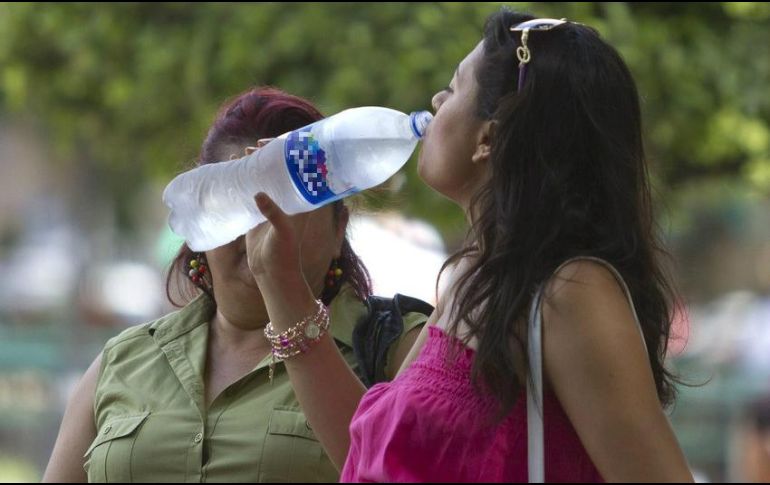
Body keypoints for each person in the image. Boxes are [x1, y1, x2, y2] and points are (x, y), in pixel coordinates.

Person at [248, 9, 695, 483]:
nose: (437, 99)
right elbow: (372, 453)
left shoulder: (573, 292)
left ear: (490, 137)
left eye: (455, 87)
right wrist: (279, 281)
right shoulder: (474, 278)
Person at [42, 87, 429, 483]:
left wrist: (283, 285)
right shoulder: (124, 360)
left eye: (292, 201)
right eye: (237, 200)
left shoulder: (401, 349)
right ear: (201, 224)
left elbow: (402, 469)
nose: (262, 222)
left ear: (338, 230)